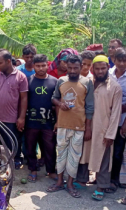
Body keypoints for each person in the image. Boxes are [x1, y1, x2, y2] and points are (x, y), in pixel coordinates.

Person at [75, 55, 122, 201]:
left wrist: (111, 134)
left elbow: (116, 113)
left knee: (103, 158)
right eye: (97, 68)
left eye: (103, 68)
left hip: (104, 129)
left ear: (108, 68)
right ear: (92, 69)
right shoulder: (87, 82)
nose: (100, 71)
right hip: (86, 126)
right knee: (83, 153)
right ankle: (81, 180)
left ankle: (101, 186)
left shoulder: (115, 87)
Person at [47, 54, 94, 198]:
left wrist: (88, 127)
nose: (72, 71)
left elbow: (90, 107)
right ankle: (60, 182)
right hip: (62, 125)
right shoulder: (61, 80)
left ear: (81, 67)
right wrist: (60, 104)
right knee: (60, 154)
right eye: (70, 68)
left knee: (74, 156)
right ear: (66, 67)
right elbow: (54, 98)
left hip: (79, 127)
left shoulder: (87, 82)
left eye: (76, 68)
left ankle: (70, 184)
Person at [0, 50, 28, 168]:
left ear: (8, 61)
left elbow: (24, 98)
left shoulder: (21, 77)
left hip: (11, 118)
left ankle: (10, 165)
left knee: (11, 143)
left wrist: (21, 117)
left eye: (0, 63)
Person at [25, 54, 58, 183]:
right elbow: (23, 100)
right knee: (30, 146)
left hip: (48, 121)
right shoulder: (28, 81)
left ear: (47, 65)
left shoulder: (55, 81)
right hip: (31, 121)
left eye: (43, 65)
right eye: (38, 66)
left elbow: (58, 102)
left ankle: (51, 171)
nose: (40, 68)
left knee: (50, 147)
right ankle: (33, 170)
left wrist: (58, 121)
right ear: (33, 66)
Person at [108, 47, 126, 191]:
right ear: (114, 60)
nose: (122, 63)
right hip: (107, 119)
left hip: (122, 120)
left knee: (118, 151)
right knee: (106, 149)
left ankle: (114, 180)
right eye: (119, 60)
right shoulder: (108, 74)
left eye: (125, 61)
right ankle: (102, 177)